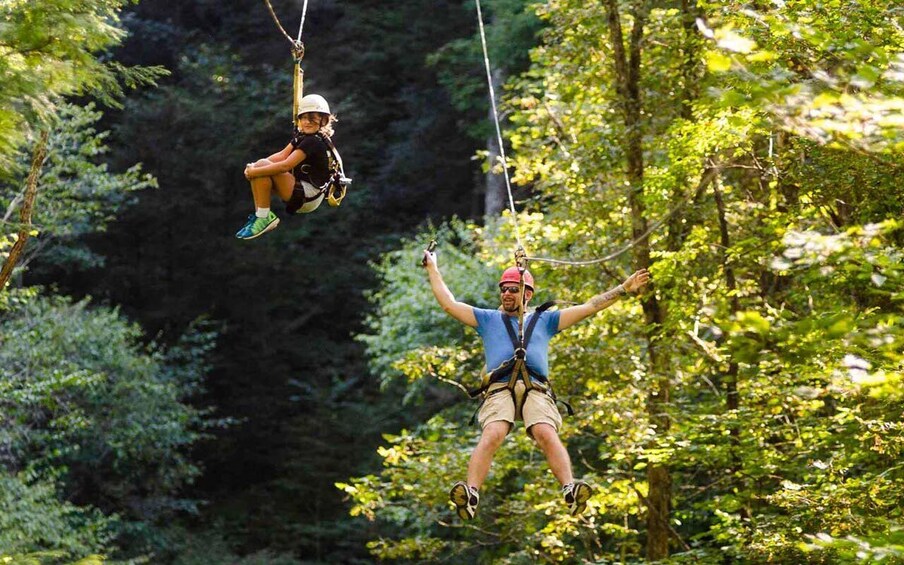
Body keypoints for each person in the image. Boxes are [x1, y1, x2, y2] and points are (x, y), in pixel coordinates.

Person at [422, 248, 651, 519]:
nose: (507, 294)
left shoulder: (546, 320)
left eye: (513, 290)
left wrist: (623, 289)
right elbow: (449, 304)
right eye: (503, 289)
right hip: (500, 388)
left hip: (537, 389)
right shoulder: (487, 319)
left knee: (545, 432)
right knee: (493, 433)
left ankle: (569, 489)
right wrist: (432, 268)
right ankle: (471, 494)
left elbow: (590, 306)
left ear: (527, 294)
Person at [235, 94, 336, 240]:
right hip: (302, 192)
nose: (307, 122)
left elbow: (285, 165)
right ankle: (261, 216)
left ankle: (263, 217)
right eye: (303, 118)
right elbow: (282, 156)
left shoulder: (313, 142)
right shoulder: (303, 137)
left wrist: (255, 171)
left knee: (261, 169)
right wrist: (254, 167)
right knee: (261, 167)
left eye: (312, 118)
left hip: (308, 195)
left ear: (323, 120)